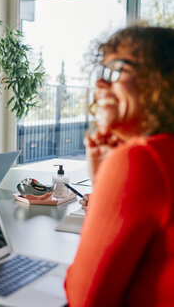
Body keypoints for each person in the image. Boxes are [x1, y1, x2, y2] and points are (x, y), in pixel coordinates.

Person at [65, 26, 174, 306]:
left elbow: (84, 298)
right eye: (100, 72)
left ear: (159, 80)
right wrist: (104, 185)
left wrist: (111, 180)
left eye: (115, 69)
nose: (99, 84)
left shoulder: (142, 159)